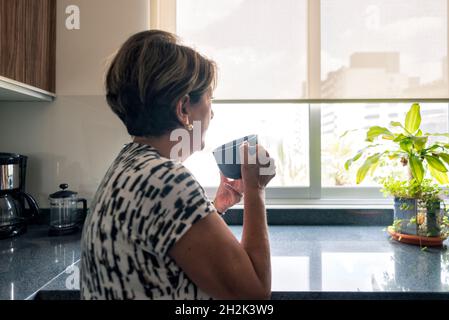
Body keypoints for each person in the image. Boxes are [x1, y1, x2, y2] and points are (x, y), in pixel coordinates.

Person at [80, 30, 276, 300]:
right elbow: (254, 296)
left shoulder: (129, 163)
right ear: (183, 109)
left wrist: (213, 211)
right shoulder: (166, 180)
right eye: (209, 99)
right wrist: (256, 189)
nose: (213, 112)